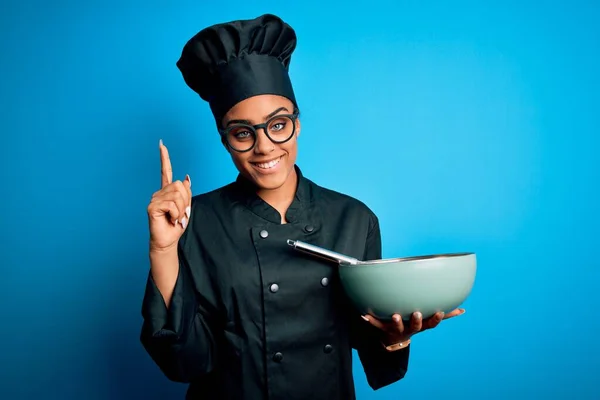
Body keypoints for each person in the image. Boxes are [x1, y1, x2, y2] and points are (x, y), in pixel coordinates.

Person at [140, 13, 464, 400]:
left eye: (278, 125)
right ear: (225, 140)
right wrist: (163, 249)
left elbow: (370, 344)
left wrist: (395, 339)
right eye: (243, 133)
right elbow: (186, 363)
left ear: (297, 122)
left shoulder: (354, 219)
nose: (264, 147)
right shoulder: (195, 221)